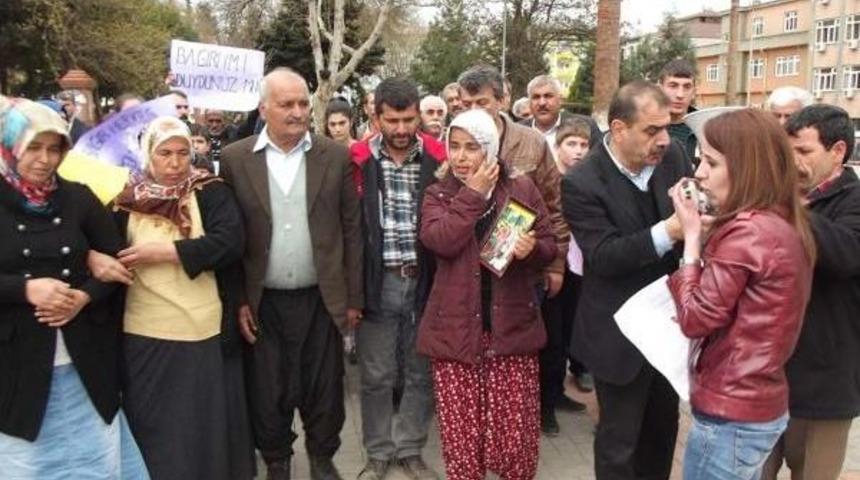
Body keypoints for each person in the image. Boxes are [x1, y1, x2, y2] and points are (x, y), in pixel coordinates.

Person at [221, 67, 363, 480]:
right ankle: (277, 459)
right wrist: (239, 300)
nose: (298, 111)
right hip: (262, 301)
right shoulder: (234, 159)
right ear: (264, 108)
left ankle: (322, 457)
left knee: (324, 387)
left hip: (321, 298)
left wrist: (354, 297)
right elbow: (229, 241)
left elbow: (353, 230)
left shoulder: (333, 156)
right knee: (267, 389)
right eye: (287, 104)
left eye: (303, 103)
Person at [0, 97, 148, 479]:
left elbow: (117, 267)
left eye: (54, 148)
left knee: (94, 462)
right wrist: (25, 289)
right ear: (10, 145)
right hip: (17, 368)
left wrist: (83, 296)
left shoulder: (78, 197)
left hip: (85, 362)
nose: (44, 159)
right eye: (33, 146)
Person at [668, 108, 815, 479]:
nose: (699, 172)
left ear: (747, 167)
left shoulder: (748, 231)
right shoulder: (778, 219)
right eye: (701, 159)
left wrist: (692, 242)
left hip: (731, 409)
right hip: (755, 402)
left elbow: (695, 318)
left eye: (712, 163)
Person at [109, 116, 254, 480]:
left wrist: (166, 252)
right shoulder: (125, 200)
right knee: (156, 424)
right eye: (164, 154)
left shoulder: (209, 190)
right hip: (145, 331)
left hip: (201, 329)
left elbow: (230, 242)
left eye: (182, 153)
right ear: (148, 156)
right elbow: (105, 252)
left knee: (201, 424)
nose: (175, 163)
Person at [561, 80, 693, 479]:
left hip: (669, 330)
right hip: (618, 334)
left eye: (667, 127)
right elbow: (602, 256)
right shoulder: (582, 181)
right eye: (651, 130)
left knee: (662, 433)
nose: (664, 140)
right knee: (619, 444)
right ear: (619, 129)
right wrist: (670, 231)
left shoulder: (673, 157)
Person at [418, 109, 557, 480]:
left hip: (510, 330)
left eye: (472, 148)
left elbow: (549, 243)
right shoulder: (438, 193)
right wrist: (474, 193)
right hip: (456, 335)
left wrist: (534, 250)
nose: (461, 157)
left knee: (514, 443)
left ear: (491, 150)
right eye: (454, 146)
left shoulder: (521, 187)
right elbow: (441, 241)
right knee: (463, 442)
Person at [350, 78, 446, 480]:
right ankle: (378, 452)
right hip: (378, 281)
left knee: (421, 371)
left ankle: (410, 449)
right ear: (376, 117)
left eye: (410, 119)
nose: (403, 129)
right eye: (393, 120)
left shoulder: (440, 158)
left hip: (426, 282)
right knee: (375, 374)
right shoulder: (355, 160)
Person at [762, 105, 860, 480]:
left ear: (837, 151)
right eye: (788, 152)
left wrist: (788, 208)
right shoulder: (780, 197)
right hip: (769, 377)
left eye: (803, 152)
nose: (793, 162)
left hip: (826, 384)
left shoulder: (852, 200)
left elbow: (845, 254)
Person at [458, 65, 568, 303]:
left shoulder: (533, 142)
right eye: (467, 105)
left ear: (502, 101)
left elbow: (554, 207)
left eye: (482, 102)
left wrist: (556, 265)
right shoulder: (453, 144)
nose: (474, 111)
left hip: (522, 272)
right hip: (467, 273)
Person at [522, 74, 602, 156]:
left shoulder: (587, 125)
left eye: (548, 96)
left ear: (560, 100)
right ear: (529, 102)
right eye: (536, 97)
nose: (542, 103)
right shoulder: (518, 131)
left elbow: (600, 161)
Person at [658, 60, 698, 165]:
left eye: (687, 87)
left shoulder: (704, 129)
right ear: (660, 89)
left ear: (694, 92)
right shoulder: (644, 127)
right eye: (673, 86)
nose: (680, 95)